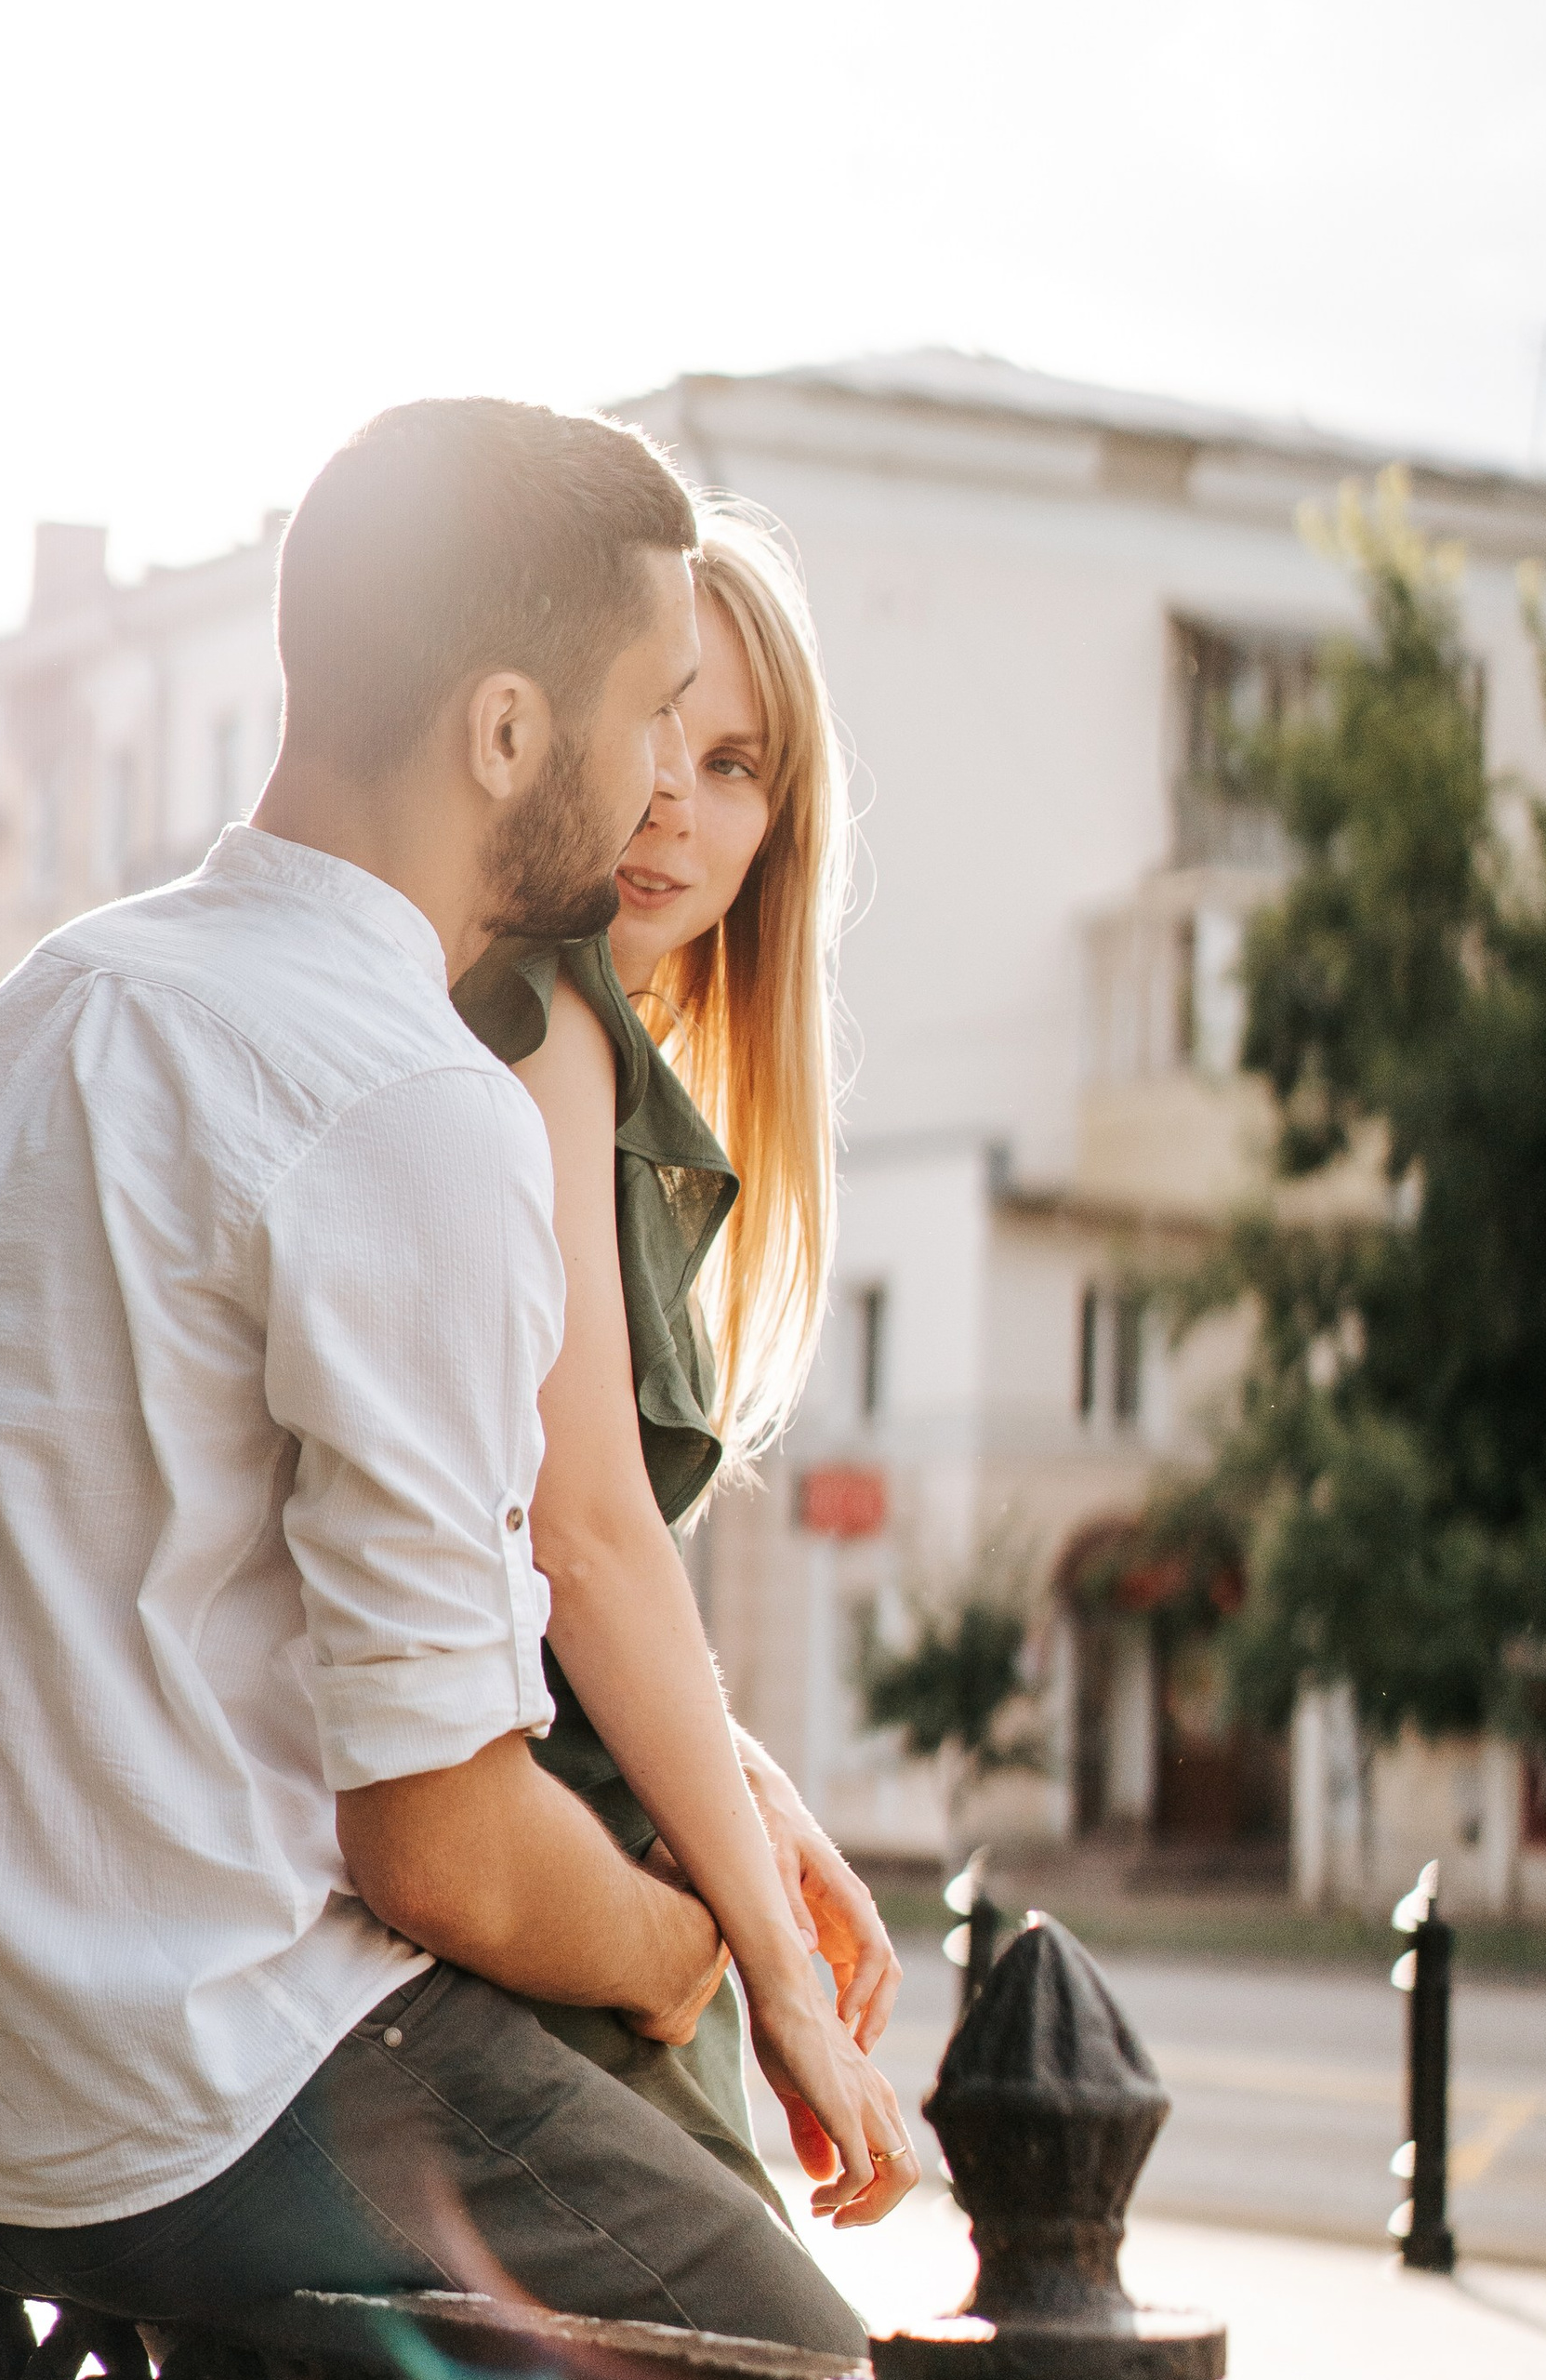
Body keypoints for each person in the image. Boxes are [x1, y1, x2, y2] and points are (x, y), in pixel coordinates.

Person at [0, 399, 905, 2354]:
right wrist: (687, 1952)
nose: (668, 781)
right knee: (794, 2354)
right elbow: (444, 1846)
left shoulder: (36, 1014)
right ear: (506, 733)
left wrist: (719, 1803)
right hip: (189, 2086)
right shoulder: (407, 1099)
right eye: (655, 712)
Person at [452, 503, 902, 2220]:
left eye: (733, 766)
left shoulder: (606, 1052)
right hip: (534, 1905)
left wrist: (755, 1798)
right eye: (657, 730)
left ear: (784, 824)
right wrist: (779, 1971)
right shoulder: (545, 1017)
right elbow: (579, 1540)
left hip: (594, 1879)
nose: (674, 807)